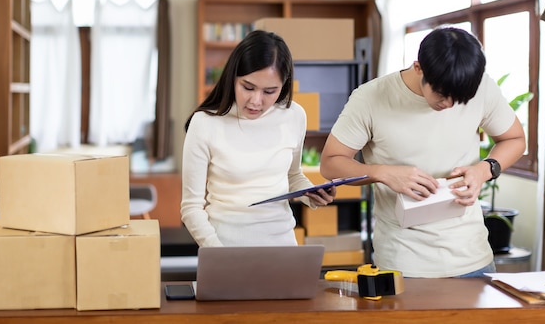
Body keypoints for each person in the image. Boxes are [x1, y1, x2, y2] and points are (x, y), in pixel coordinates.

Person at [320, 26, 526, 278]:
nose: (449, 105)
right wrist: (382, 173)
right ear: (418, 68)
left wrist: (484, 169)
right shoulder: (371, 98)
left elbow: (514, 139)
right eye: (441, 95)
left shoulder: (481, 87)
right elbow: (330, 163)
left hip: (473, 257)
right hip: (403, 262)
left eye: (459, 99)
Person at [181, 29, 336, 247]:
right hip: (223, 246)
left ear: (284, 85)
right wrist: (217, 253)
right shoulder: (205, 123)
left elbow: (293, 176)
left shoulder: (294, 116)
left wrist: (311, 195)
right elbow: (191, 208)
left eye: (269, 91)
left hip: (282, 245)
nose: (256, 100)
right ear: (232, 77)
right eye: (248, 87)